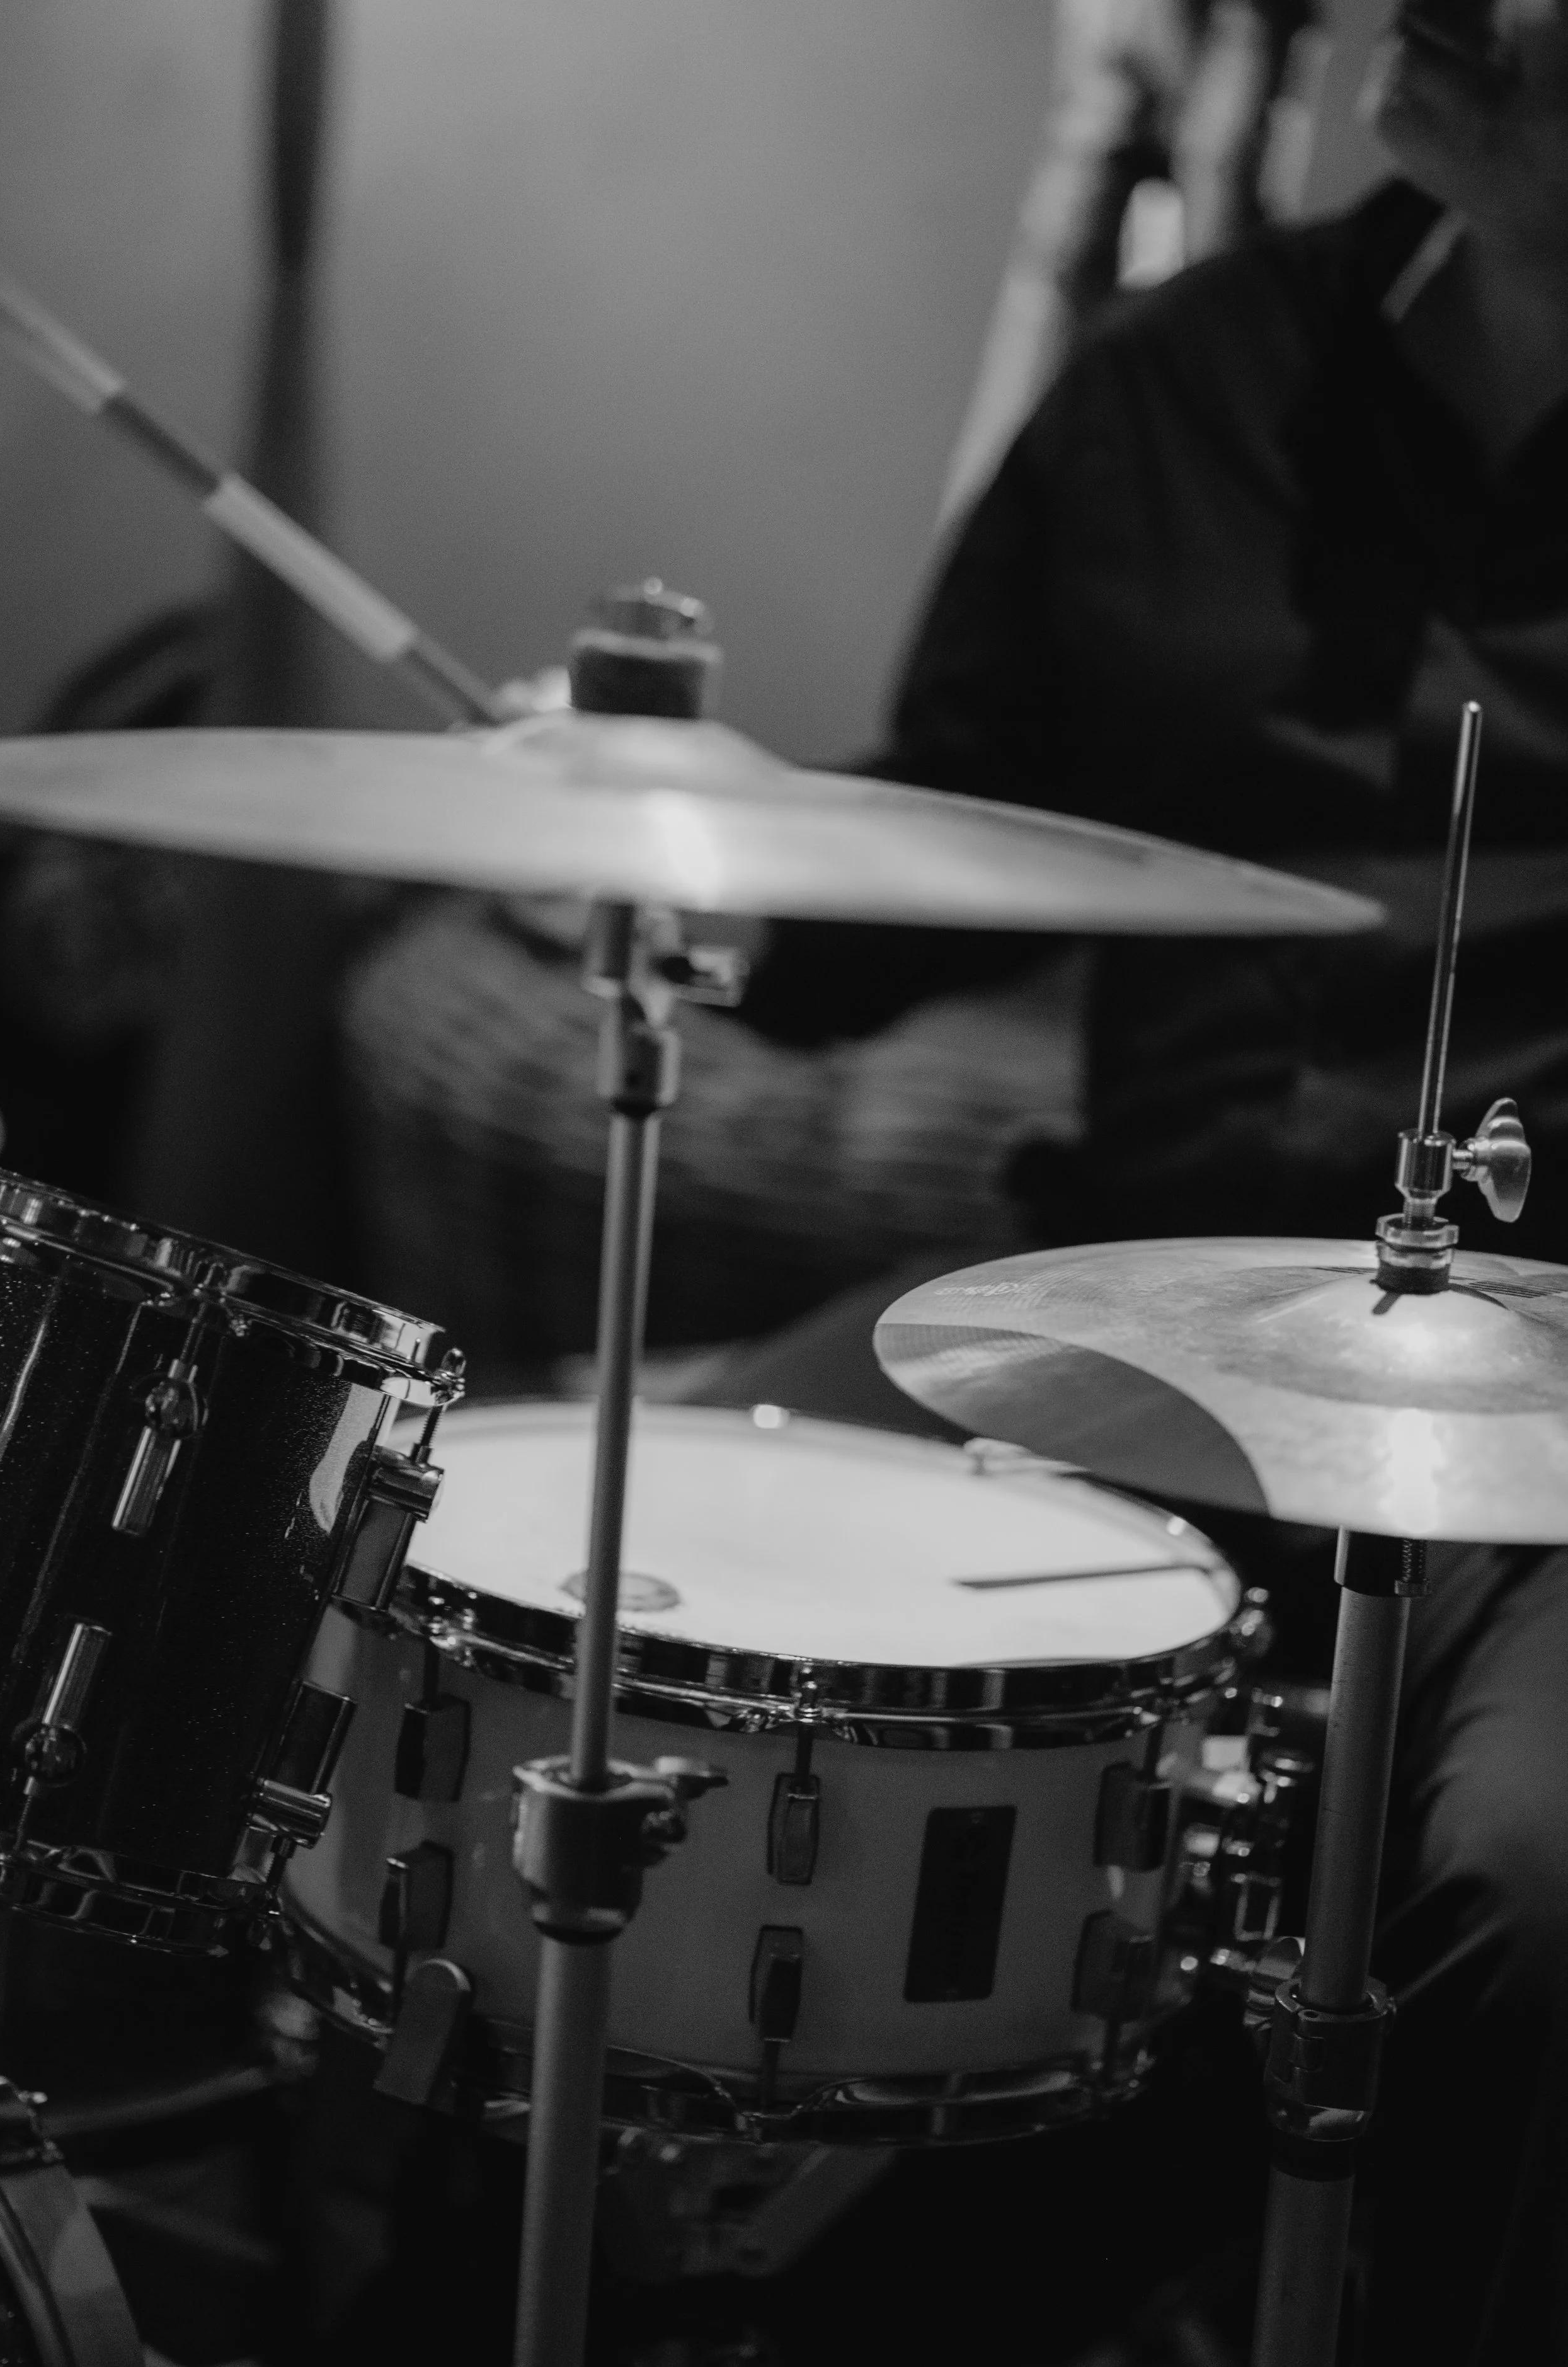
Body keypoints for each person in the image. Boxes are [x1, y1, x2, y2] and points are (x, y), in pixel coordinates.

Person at [689, 4, 1568, 2359]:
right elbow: (967, 814)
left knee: (1531, 1887)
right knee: (616, 1585)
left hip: (1557, 1443)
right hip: (1131, 1317)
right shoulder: (1186, 383)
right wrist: (699, 866)